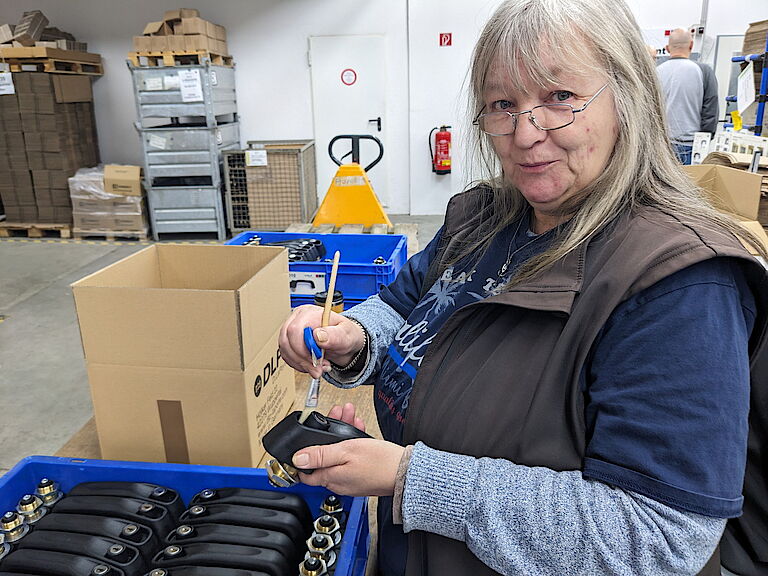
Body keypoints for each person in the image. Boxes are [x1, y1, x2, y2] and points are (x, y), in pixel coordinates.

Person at [278, 1, 768, 575]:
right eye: (502, 105)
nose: (525, 133)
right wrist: (353, 337)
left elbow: (658, 538)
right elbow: (404, 303)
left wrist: (409, 477)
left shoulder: (680, 285)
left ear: (627, 98)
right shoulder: (486, 218)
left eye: (560, 97)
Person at [656, 28, 719, 165]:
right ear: (691, 45)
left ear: (667, 48)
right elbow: (710, 110)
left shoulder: (656, 72)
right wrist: (705, 139)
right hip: (691, 147)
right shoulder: (704, 71)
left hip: (661, 146)